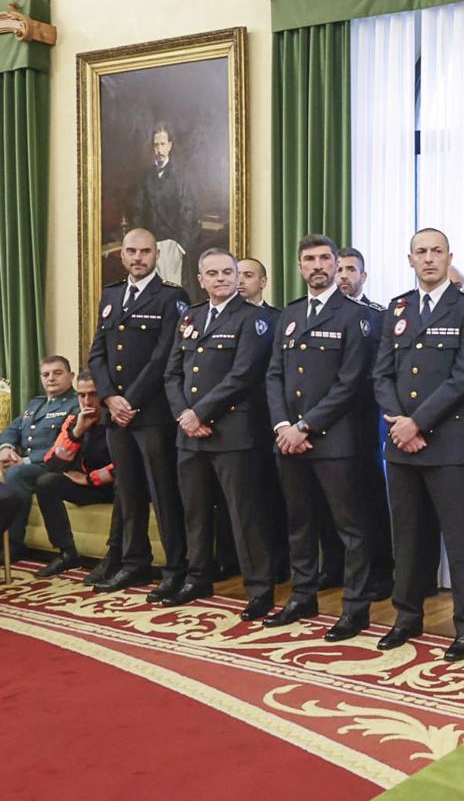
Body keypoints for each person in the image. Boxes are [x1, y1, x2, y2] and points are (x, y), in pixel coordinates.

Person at [373, 228, 464, 661]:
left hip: (451, 446)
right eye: (420, 252)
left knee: (461, 541)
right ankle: (407, 617)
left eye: (436, 251)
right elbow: (381, 373)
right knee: (407, 538)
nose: (428, 259)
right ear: (409, 259)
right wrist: (399, 423)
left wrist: (417, 423)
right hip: (401, 446)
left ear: (449, 257)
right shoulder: (397, 308)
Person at [264, 234, 375, 642]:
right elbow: (273, 374)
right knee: (299, 524)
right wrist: (281, 427)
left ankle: (355, 609)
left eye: (324, 259)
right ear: (299, 266)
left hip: (334, 441)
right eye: (309, 259)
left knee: (350, 530)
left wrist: (304, 427)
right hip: (288, 441)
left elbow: (350, 383)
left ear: (335, 264)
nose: (317, 265)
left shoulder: (354, 315)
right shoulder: (289, 315)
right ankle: (303, 596)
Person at [163, 249, 276, 617]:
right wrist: (183, 414)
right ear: (201, 279)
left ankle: (259, 588)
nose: (223, 279)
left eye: (228, 272)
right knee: (195, 511)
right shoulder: (190, 317)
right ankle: (198, 577)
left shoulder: (253, 319)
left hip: (231, 433)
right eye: (213, 273)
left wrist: (200, 413)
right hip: (190, 435)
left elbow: (242, 375)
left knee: (245, 514)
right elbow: (172, 374)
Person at [88, 230, 190, 599]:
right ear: (121, 254)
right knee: (128, 493)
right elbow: (97, 353)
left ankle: (176, 567)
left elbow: (163, 356)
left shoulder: (171, 297)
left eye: (145, 251)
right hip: (116, 415)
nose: (137, 257)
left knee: (164, 494)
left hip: (151, 415)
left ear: (155, 255)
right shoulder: (112, 294)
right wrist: (109, 398)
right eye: (131, 251)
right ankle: (134, 562)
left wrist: (128, 400)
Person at [336, 247, 392, 601]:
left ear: (364, 276)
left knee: (370, 502)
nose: (343, 275)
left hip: (365, 422)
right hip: (328, 426)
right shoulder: (320, 314)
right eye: (339, 269)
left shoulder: (378, 317)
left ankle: (382, 573)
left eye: (350, 269)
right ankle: (343, 572)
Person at [238, 257, 290, 583]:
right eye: (237, 275)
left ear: (264, 280)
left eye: (248, 275)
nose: (241, 281)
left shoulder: (280, 318)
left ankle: (278, 565)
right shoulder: (221, 318)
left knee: (273, 497)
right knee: (242, 499)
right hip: (232, 423)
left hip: (271, 419)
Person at [32, 370, 114, 577]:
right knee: (46, 482)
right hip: (90, 486)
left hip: (115, 486)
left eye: (93, 394)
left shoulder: (116, 420)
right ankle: (67, 554)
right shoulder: (73, 421)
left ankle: (114, 558)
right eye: (82, 395)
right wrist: (77, 433)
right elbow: (52, 461)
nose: (87, 400)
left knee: (127, 485)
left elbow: (126, 466)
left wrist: (89, 479)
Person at [0, 356, 80, 558]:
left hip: (53, 467)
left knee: (17, 473)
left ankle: (13, 545)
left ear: (71, 376)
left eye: (57, 373)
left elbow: (63, 445)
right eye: (46, 374)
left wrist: (25, 460)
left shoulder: (75, 405)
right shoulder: (36, 404)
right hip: (25, 465)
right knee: (16, 470)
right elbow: (13, 428)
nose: (51, 378)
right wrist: (6, 448)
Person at [131, 123, 197, 288]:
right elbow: (139, 211)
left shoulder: (180, 176)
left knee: (173, 292)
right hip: (151, 245)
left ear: (169, 146)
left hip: (173, 245)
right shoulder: (146, 177)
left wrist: (181, 246)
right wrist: (139, 243)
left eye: (162, 144)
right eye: (155, 145)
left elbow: (189, 211)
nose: (159, 149)